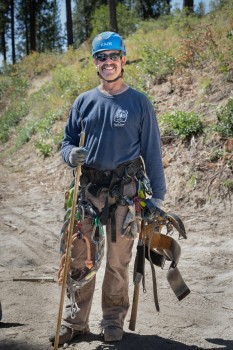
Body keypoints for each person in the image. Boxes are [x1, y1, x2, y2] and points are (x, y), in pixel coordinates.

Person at [50, 31, 166, 346]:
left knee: (119, 260)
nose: (108, 62)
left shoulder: (139, 102)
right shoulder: (83, 102)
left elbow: (152, 152)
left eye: (114, 55)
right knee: (79, 257)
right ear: (95, 63)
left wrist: (158, 196)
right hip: (88, 188)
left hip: (125, 190)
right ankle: (75, 323)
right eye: (101, 57)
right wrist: (70, 155)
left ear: (123, 59)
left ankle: (112, 320)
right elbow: (67, 143)